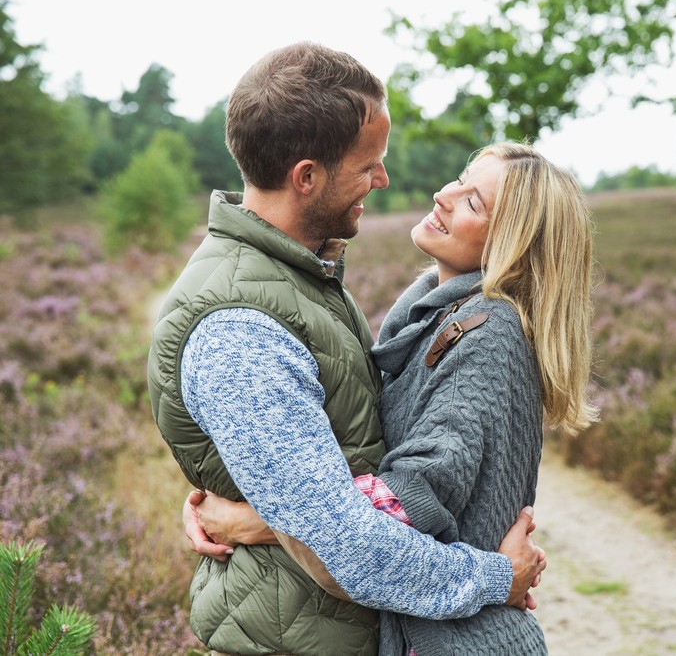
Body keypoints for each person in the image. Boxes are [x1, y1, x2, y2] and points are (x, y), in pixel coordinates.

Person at [146, 41, 546, 656]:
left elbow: (326, 481)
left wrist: (255, 512)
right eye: (368, 164)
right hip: (299, 639)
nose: (384, 180)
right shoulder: (240, 327)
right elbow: (343, 544)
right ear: (307, 177)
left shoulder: (302, 280)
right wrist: (497, 578)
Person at [186, 141, 599, 655]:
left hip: (460, 641)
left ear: (512, 244)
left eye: (475, 202)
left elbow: (414, 493)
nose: (444, 195)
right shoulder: (433, 319)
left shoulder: (491, 332)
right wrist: (253, 482)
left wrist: (251, 520)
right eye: (460, 179)